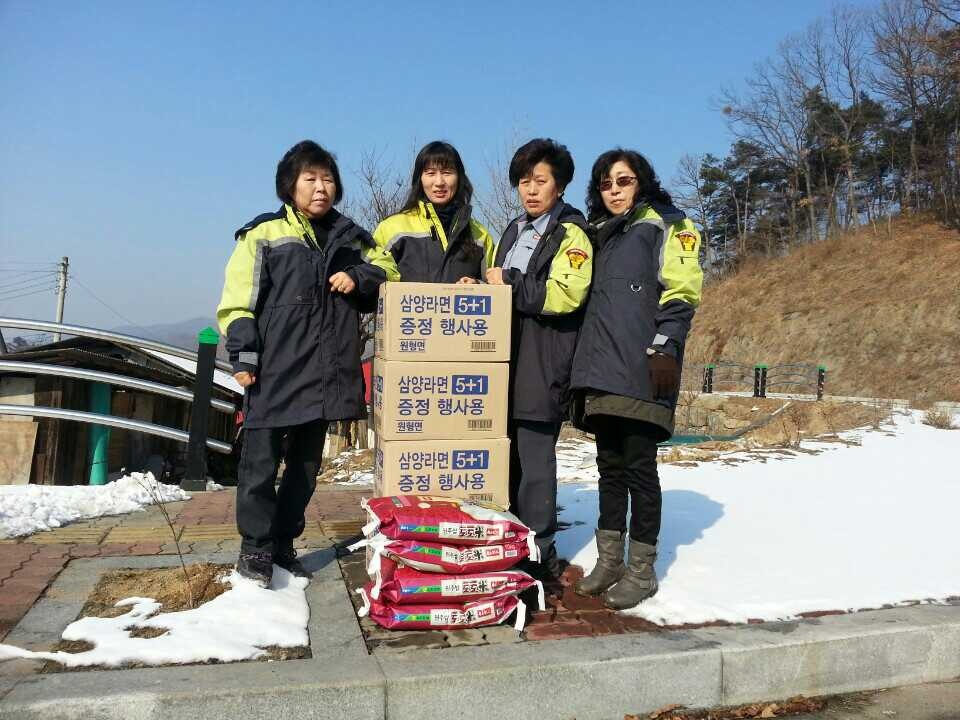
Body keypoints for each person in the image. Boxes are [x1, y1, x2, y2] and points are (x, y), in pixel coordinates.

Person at [216, 140, 393, 587]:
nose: (321, 188)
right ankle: (255, 549)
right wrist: (243, 355)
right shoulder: (264, 233)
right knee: (259, 466)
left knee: (305, 468)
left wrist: (358, 275)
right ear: (289, 185)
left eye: (328, 179)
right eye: (310, 179)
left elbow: (389, 270)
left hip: (326, 374)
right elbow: (238, 302)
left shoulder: (352, 237)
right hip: (273, 371)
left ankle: (283, 544)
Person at [570, 149, 703, 609]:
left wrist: (666, 344)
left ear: (641, 182)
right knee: (609, 467)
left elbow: (682, 288)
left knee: (639, 468)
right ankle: (609, 562)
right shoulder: (599, 233)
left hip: (644, 365)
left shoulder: (668, 224)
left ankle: (642, 571)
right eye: (606, 183)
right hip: (602, 368)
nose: (614, 191)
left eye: (623, 181)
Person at [485, 138, 593, 582]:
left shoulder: (572, 234)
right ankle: (510, 543)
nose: (531, 190)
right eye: (524, 181)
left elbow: (566, 295)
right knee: (506, 459)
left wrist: (508, 281)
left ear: (560, 186)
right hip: (504, 361)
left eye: (541, 181)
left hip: (542, 363)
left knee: (535, 464)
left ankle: (539, 551)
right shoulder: (514, 230)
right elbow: (501, 288)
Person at [373, 141, 495, 283]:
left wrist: (477, 285)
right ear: (419, 179)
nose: (439, 182)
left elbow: (494, 286)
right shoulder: (391, 228)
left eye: (447, 173)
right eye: (430, 173)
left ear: (459, 178)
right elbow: (372, 277)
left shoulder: (480, 235)